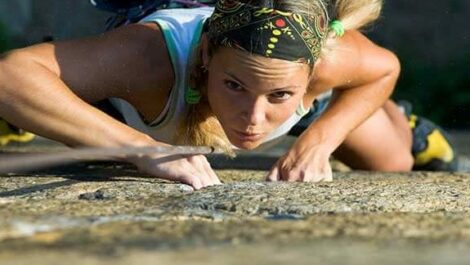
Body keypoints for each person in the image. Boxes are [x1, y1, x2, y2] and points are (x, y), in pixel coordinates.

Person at [0, 0, 456, 189]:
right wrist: (140, 149)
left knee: (393, 163)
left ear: (314, 74)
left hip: (312, 101)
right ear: (204, 58)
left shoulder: (330, 58)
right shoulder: (152, 57)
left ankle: (408, 125)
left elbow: (385, 68)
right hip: (131, 99)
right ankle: (44, 106)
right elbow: (9, 75)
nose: (253, 118)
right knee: (76, 127)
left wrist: (320, 140)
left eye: (279, 94)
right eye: (234, 86)